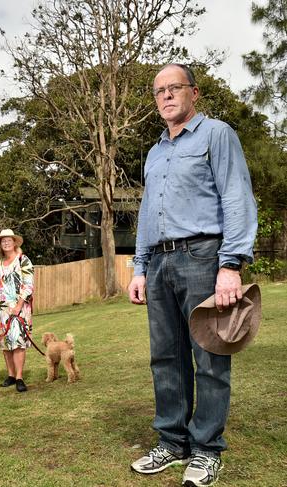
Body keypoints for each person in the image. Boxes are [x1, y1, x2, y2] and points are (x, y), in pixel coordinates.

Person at [128, 64, 257, 487]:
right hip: (161, 262)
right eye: (159, 91)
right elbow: (148, 213)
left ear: (194, 93)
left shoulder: (216, 135)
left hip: (203, 256)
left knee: (210, 356)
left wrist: (230, 264)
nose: (166, 96)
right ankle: (172, 441)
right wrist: (140, 267)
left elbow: (236, 196)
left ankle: (206, 450)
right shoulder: (155, 152)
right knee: (165, 358)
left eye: (174, 88)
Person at [0, 229, 35, 393]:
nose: (6, 243)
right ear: (0, 245)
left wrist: (18, 305)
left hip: (19, 308)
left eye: (9, 240)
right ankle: (10, 375)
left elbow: (28, 285)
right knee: (5, 343)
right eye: (3, 241)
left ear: (14, 242)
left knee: (17, 342)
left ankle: (19, 377)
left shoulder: (23, 260)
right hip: (2, 309)